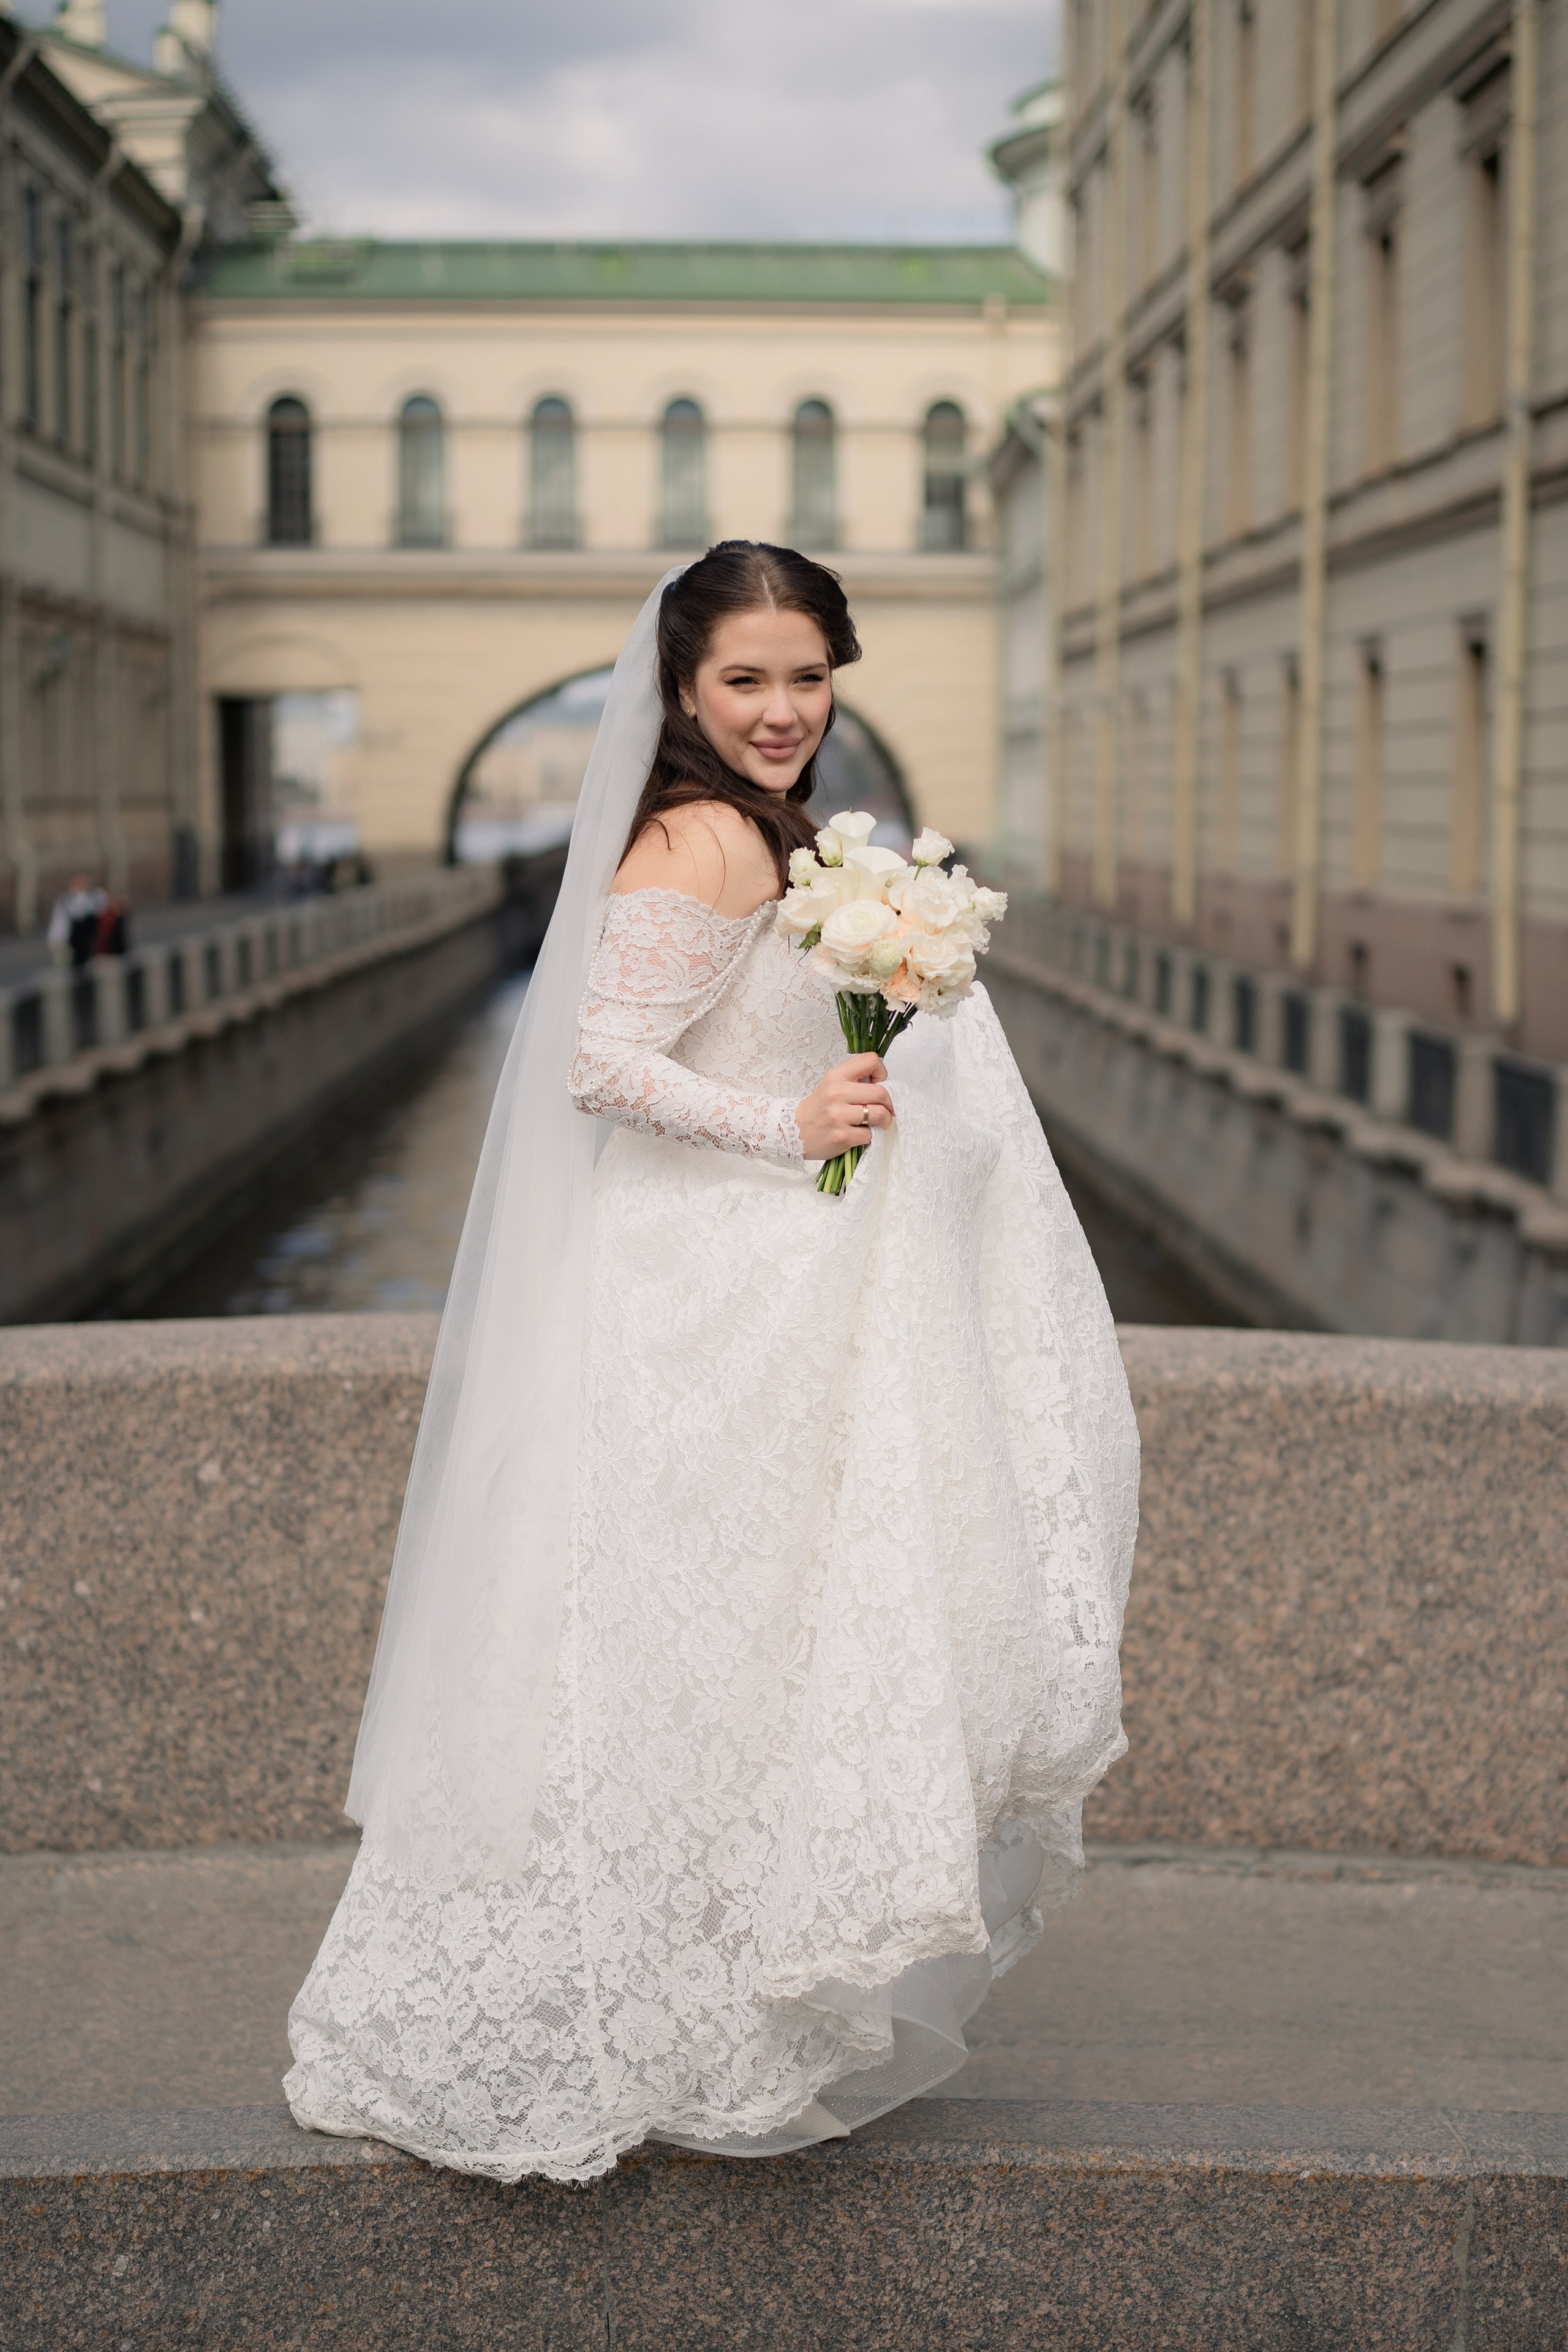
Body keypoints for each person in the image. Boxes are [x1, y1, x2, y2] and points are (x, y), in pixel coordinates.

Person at [285, 542, 1138, 2184]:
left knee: (725, 1673)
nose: (778, 708)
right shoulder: (698, 838)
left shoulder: (780, 834)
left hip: (764, 1290)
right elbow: (601, 1063)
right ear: (683, 688)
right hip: (706, 1303)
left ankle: (702, 2013)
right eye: (744, 678)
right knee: (676, 1661)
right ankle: (651, 2017)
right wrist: (793, 1120)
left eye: (807, 677)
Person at [45, 873, 108, 968]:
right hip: (63, 940)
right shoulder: (70, 899)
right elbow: (80, 914)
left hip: (66, 940)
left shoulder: (70, 898)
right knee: (64, 968)